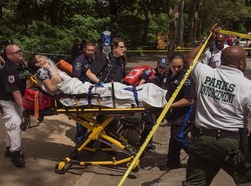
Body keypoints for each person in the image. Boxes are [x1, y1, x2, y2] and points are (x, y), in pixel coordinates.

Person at [183, 43, 251, 185]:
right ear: (241, 63)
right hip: (232, 145)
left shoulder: (205, 73)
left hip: (202, 141)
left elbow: (189, 58)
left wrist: (207, 42)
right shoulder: (247, 86)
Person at [27, 54, 167, 109]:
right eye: (40, 58)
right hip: (73, 93)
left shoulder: (50, 68)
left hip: (78, 87)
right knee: (113, 89)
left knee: (115, 86)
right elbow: (51, 89)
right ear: (37, 64)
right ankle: (153, 96)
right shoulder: (42, 72)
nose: (44, 58)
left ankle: (153, 93)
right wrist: (66, 88)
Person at [163, 52, 196, 171]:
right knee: (174, 135)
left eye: (179, 66)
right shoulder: (169, 74)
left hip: (186, 110)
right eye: (173, 66)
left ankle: (199, 158)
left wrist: (169, 105)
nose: (176, 69)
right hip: (175, 109)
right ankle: (173, 161)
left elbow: (189, 99)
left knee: (180, 135)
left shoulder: (186, 78)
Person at [0, 44, 27, 168]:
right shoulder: (8, 69)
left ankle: (9, 148)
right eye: (17, 52)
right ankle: (16, 152)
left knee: (12, 125)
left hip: (14, 100)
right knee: (15, 123)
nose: (20, 53)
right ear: (9, 55)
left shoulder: (19, 64)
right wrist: (23, 108)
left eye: (20, 51)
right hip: (6, 101)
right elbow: (15, 91)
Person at [138, 57, 169, 151]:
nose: (161, 69)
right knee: (149, 123)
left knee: (154, 123)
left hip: (158, 103)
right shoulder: (150, 73)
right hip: (148, 102)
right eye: (160, 66)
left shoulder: (167, 75)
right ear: (157, 65)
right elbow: (141, 84)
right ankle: (143, 142)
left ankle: (148, 142)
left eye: (163, 67)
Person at [72, 41, 96, 143]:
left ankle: (85, 139)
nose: (90, 52)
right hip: (82, 92)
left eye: (92, 50)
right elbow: (75, 78)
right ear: (84, 50)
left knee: (88, 117)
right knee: (82, 118)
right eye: (88, 50)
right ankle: (79, 141)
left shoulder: (91, 58)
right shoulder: (79, 61)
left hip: (89, 90)